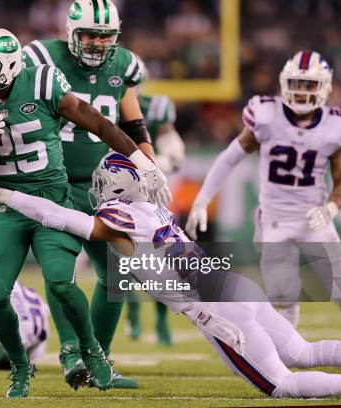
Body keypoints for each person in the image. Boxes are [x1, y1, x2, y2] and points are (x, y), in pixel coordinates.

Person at [0, 151, 341, 399]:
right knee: (303, 351)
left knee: (282, 385)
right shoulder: (155, 209)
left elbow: (59, 218)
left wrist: (9, 196)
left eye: (104, 182)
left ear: (118, 185)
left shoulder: (123, 218)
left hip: (215, 307)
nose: (98, 190)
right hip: (233, 283)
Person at [0, 27, 171, 397]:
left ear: (9, 65)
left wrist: (141, 161)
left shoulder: (43, 82)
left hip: (52, 199)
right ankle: (20, 367)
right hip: (7, 205)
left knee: (63, 283)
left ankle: (94, 354)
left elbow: (96, 121)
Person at [22, 0, 157, 387]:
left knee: (120, 271)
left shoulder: (124, 65)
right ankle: (69, 351)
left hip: (102, 186)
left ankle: (100, 356)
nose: (98, 43)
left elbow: (131, 117)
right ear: (70, 32)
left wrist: (147, 159)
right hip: (53, 182)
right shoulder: (40, 57)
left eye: (105, 36)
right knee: (61, 272)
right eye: (90, 35)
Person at [185, 51, 341, 339]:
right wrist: (203, 198)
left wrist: (330, 209)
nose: (301, 92)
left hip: (314, 218)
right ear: (283, 82)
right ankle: (286, 366)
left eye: (309, 85)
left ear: (325, 88)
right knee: (283, 297)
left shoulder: (335, 125)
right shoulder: (267, 116)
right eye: (296, 83)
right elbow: (230, 157)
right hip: (274, 220)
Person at [125, 56, 186, 345]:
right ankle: (133, 312)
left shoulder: (155, 107)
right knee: (122, 260)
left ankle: (162, 321)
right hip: (116, 193)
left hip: (148, 194)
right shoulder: (101, 103)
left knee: (160, 260)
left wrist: (159, 162)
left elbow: (172, 148)